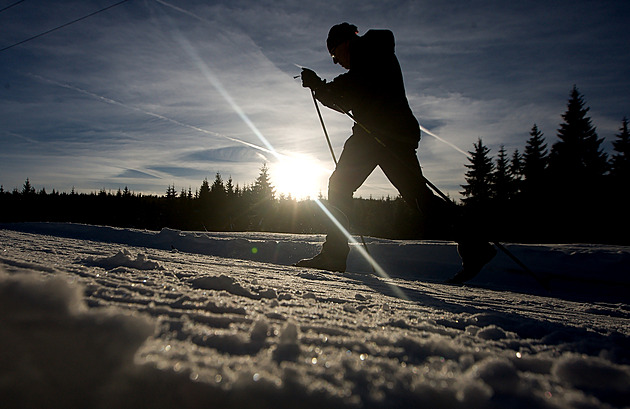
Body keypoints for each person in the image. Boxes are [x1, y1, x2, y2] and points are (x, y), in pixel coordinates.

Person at [295, 23, 496, 283]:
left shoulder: (369, 54)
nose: (336, 62)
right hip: (388, 135)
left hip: (378, 136)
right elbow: (349, 96)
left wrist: (319, 87)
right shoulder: (373, 54)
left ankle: (333, 256)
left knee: (341, 186)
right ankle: (476, 246)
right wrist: (321, 89)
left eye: (334, 55)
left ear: (344, 43)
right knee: (417, 198)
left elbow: (350, 92)